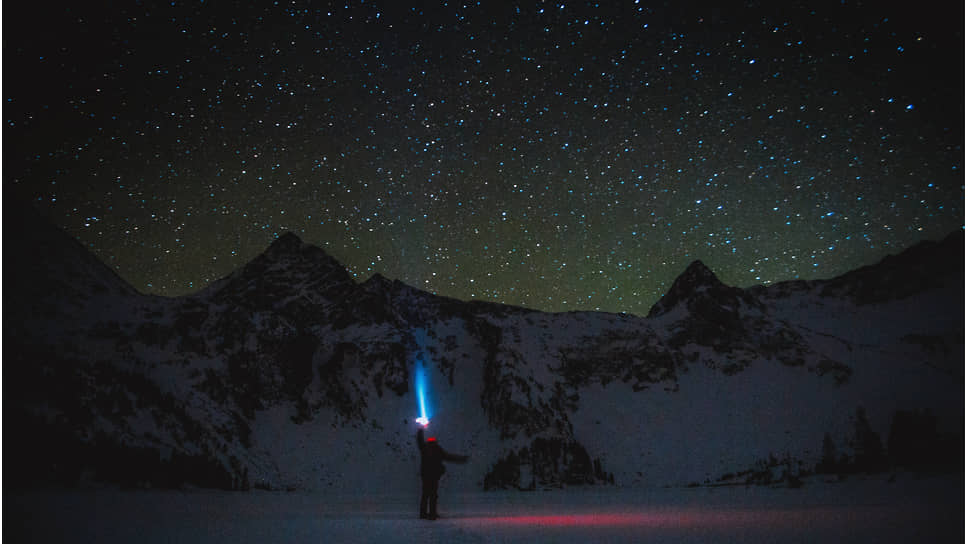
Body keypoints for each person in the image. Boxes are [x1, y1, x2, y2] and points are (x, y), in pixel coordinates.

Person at [416, 425, 468, 520]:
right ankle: (432, 513)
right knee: (433, 494)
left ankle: (424, 514)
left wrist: (420, 429)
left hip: (426, 475)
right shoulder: (437, 450)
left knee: (426, 494)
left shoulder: (425, 449)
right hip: (434, 475)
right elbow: (449, 457)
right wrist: (461, 459)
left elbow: (419, 441)